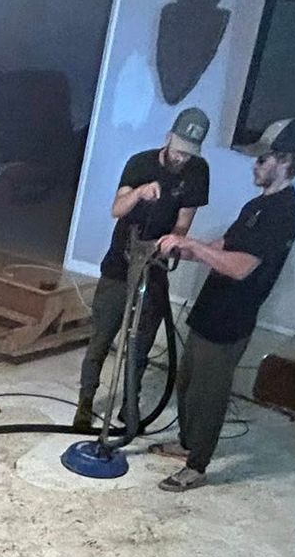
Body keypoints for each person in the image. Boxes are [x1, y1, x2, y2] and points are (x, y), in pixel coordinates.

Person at [152, 134, 295, 491]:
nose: (255, 165)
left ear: (284, 162)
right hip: (209, 311)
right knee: (188, 383)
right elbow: (226, 246)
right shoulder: (257, 206)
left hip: (229, 321)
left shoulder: (283, 211)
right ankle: (187, 444)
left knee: (209, 395)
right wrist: (184, 251)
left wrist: (190, 244)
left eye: (262, 160)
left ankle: (197, 466)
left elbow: (239, 267)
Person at [72, 108, 211, 431]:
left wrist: (173, 240)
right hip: (119, 266)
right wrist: (139, 192)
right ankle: (85, 402)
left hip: (155, 268)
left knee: (140, 345)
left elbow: (185, 220)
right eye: (178, 150)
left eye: (188, 154)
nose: (181, 159)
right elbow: (117, 209)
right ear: (168, 139)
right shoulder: (140, 163)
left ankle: (129, 405)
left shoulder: (197, 172)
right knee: (102, 338)